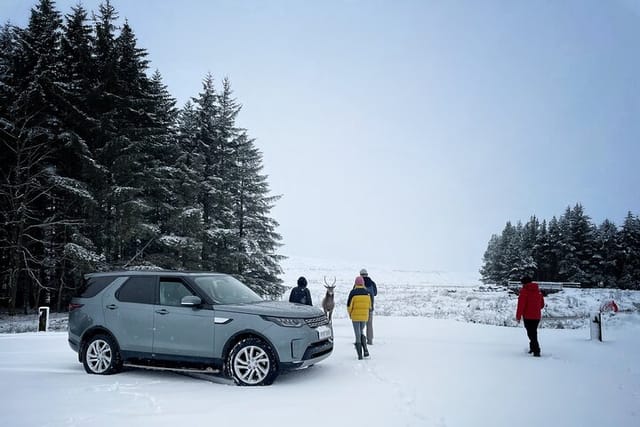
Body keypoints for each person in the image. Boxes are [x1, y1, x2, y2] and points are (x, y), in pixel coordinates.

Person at [516, 276, 545, 357]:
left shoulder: (524, 291)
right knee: (533, 332)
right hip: (537, 316)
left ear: (524, 283)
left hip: (528, 316)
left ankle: (536, 351)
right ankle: (532, 348)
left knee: (531, 333)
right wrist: (535, 309)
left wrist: (518, 317)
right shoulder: (538, 291)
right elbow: (542, 305)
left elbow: (521, 305)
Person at [347, 275, 371, 359]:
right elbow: (369, 306)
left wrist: (350, 314)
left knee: (357, 335)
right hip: (364, 317)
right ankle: (365, 350)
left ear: (355, 283)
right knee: (361, 331)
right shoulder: (367, 292)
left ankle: (360, 355)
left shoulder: (353, 292)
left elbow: (349, 306)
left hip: (355, 317)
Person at [360, 268, 377, 345]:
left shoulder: (358, 283)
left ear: (360, 275)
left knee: (360, 324)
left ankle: (360, 340)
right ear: (367, 274)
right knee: (369, 324)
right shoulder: (372, 283)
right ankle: (370, 340)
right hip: (370, 307)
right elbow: (375, 293)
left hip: (360, 307)